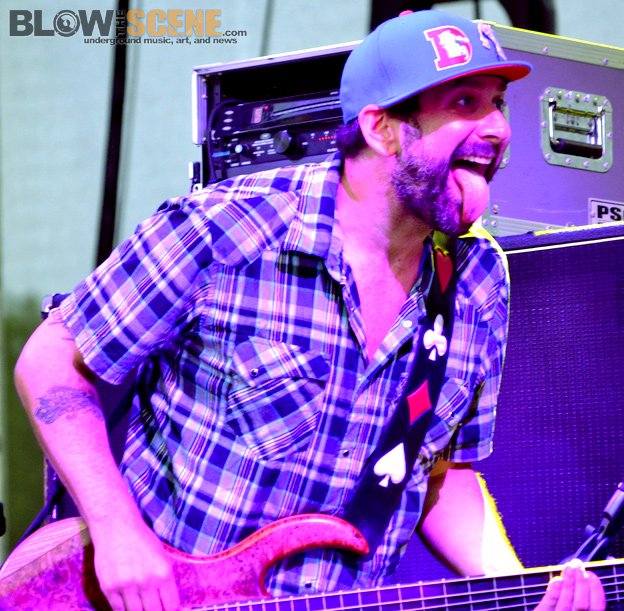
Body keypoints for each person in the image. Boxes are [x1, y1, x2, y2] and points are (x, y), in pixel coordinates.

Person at [14, 10, 605, 611]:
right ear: (381, 128)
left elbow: (437, 473)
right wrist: (118, 532)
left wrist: (520, 587)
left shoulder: (477, 280)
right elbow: (49, 363)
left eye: (498, 103)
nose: (498, 128)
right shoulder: (227, 229)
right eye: (464, 103)